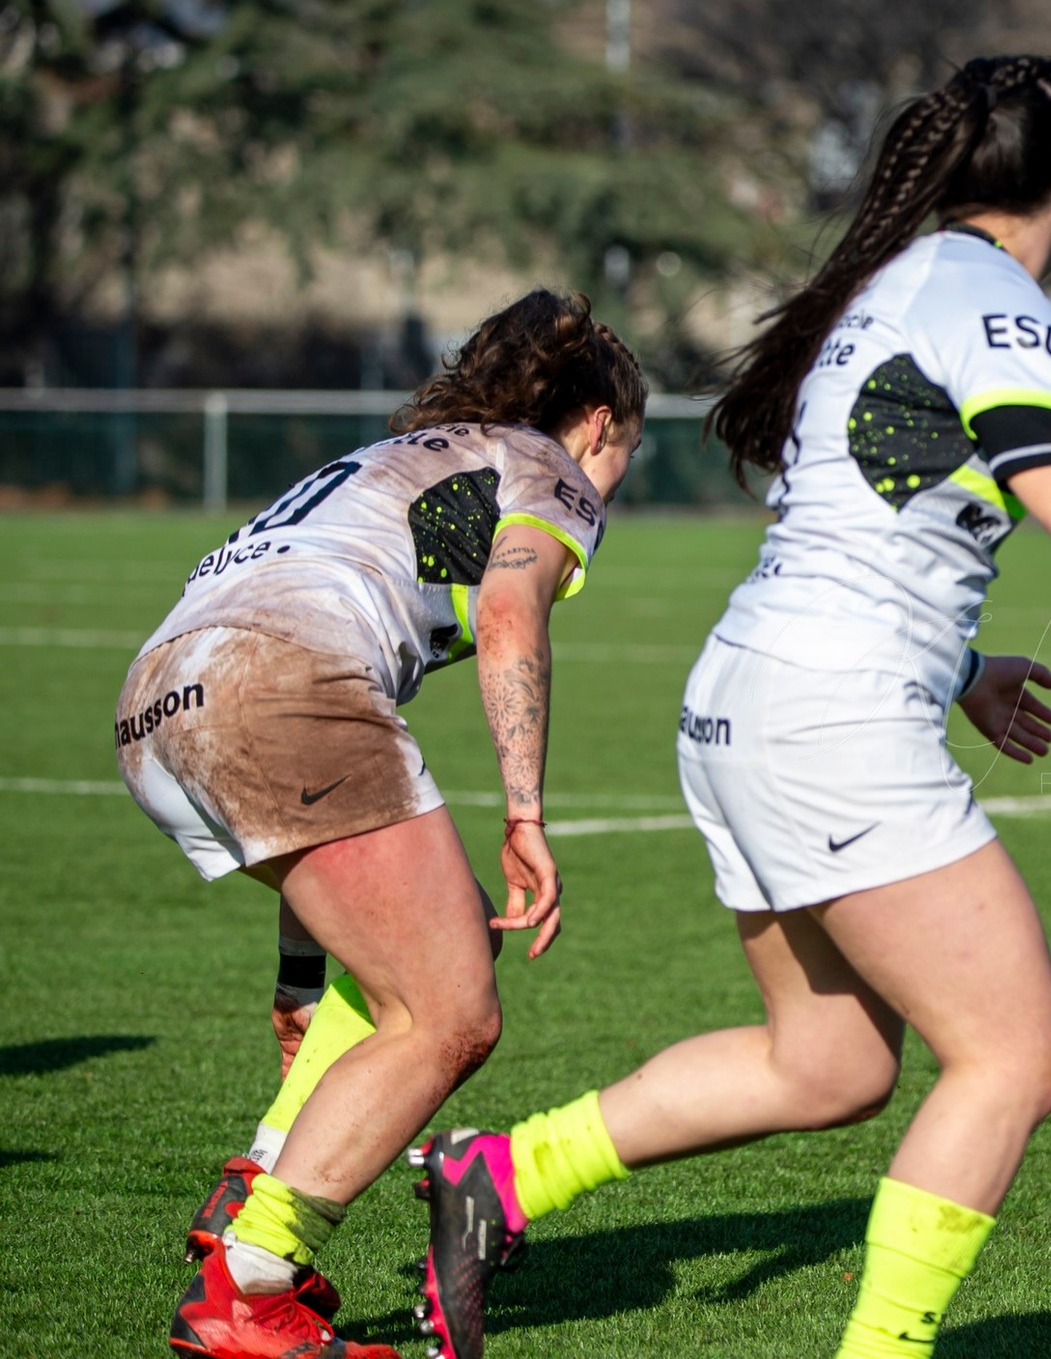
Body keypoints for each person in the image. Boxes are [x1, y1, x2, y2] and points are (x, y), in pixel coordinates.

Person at [405, 55, 1051, 1359]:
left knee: (828, 1062)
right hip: (830, 721)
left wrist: (962, 668)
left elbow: (866, 521)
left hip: (746, 701)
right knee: (1019, 1055)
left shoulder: (893, 287)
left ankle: (499, 1174)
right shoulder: (992, 298)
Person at [118, 288, 647, 1359]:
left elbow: (330, 797)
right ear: (599, 423)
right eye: (626, 448)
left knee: (421, 949)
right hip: (280, 687)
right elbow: (509, 613)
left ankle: (260, 1183)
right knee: (455, 1011)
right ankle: (251, 1283)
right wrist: (527, 811)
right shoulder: (546, 465)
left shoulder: (388, 459)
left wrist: (299, 979)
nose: (616, 474)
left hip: (157, 699)